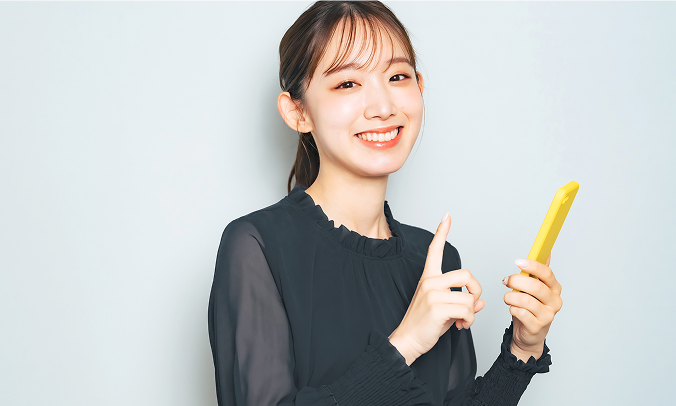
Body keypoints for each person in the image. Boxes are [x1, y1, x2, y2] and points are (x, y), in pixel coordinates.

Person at [208, 2, 563, 405]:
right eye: (347, 83)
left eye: (397, 77)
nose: (383, 107)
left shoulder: (437, 259)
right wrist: (407, 343)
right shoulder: (258, 246)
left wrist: (524, 346)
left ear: (420, 87)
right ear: (297, 112)